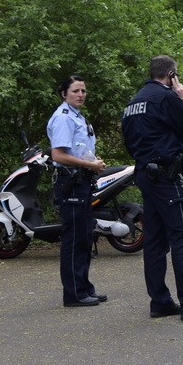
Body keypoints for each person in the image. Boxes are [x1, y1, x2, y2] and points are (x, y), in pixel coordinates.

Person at [121, 55, 183, 321]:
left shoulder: (133, 102)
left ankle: (160, 301)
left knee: (154, 243)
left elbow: (128, 140)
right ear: (171, 76)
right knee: (182, 239)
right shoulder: (167, 98)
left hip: (145, 174)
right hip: (166, 178)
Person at [47, 75, 108, 307]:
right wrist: (89, 165)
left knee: (84, 236)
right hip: (70, 182)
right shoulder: (63, 118)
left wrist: (92, 162)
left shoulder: (77, 117)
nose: (80, 95)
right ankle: (74, 294)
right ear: (64, 94)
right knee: (74, 239)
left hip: (81, 181)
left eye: (83, 91)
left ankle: (83, 288)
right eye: (75, 91)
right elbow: (59, 155)